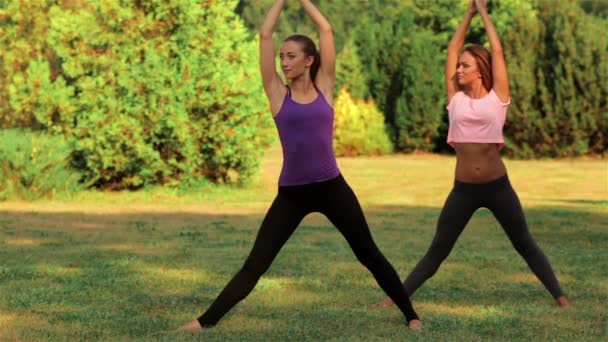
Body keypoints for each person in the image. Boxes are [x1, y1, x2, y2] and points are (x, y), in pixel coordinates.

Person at [177, 0, 422, 331]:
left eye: (291, 56)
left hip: (332, 187)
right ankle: (203, 323)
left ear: (309, 61)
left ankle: (412, 316)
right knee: (255, 265)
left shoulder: (325, 88)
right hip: (292, 193)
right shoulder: (278, 93)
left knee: (369, 255)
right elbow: (264, 36)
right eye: (282, 56)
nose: (284, 61)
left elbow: (326, 30)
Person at [375, 0, 570, 309]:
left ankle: (560, 297)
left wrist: (484, 14)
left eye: (466, 65)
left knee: (524, 243)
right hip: (463, 190)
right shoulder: (456, 100)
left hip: (498, 187)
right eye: (459, 66)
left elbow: (499, 52)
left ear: (480, 70)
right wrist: (468, 14)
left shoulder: (498, 99)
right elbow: (452, 51)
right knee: (437, 251)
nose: (459, 69)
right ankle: (394, 298)